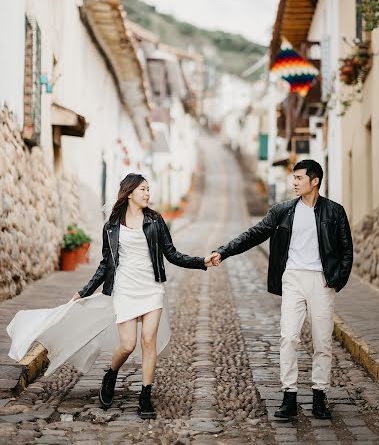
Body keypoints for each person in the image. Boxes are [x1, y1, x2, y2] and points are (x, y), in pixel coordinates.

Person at [209, 160, 353, 420]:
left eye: (299, 178)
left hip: (321, 282)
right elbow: (255, 233)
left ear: (315, 181)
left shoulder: (334, 212)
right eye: (293, 178)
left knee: (322, 341)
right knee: (289, 337)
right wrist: (224, 251)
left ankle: (319, 396)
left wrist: (336, 281)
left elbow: (346, 250)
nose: (294, 182)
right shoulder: (283, 211)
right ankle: (289, 396)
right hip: (293, 279)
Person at [70, 173, 214, 419]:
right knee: (127, 344)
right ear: (129, 193)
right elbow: (105, 265)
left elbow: (172, 254)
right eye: (143, 190)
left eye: (149, 189)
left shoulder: (156, 221)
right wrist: (83, 291)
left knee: (149, 341)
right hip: (125, 289)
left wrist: (202, 262)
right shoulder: (112, 226)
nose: (148, 194)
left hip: (151, 288)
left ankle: (145, 395)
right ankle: (111, 373)